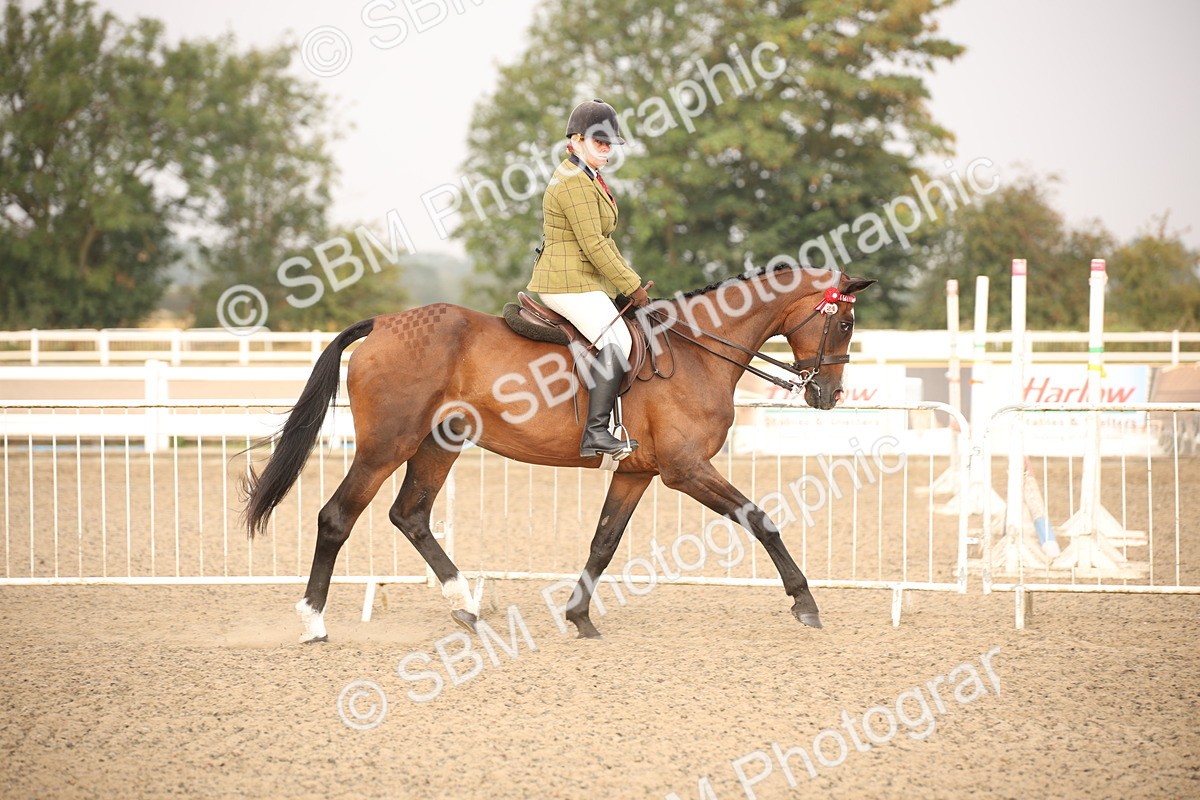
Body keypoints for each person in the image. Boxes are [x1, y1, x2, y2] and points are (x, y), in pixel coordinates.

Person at [528, 98, 651, 459]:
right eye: (600, 141)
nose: (607, 149)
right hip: (565, 282)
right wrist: (630, 286)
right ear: (577, 139)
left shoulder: (588, 176)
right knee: (618, 339)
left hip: (583, 280)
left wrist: (633, 282)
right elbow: (594, 244)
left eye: (610, 143)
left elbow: (605, 241)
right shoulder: (573, 182)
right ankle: (596, 432)